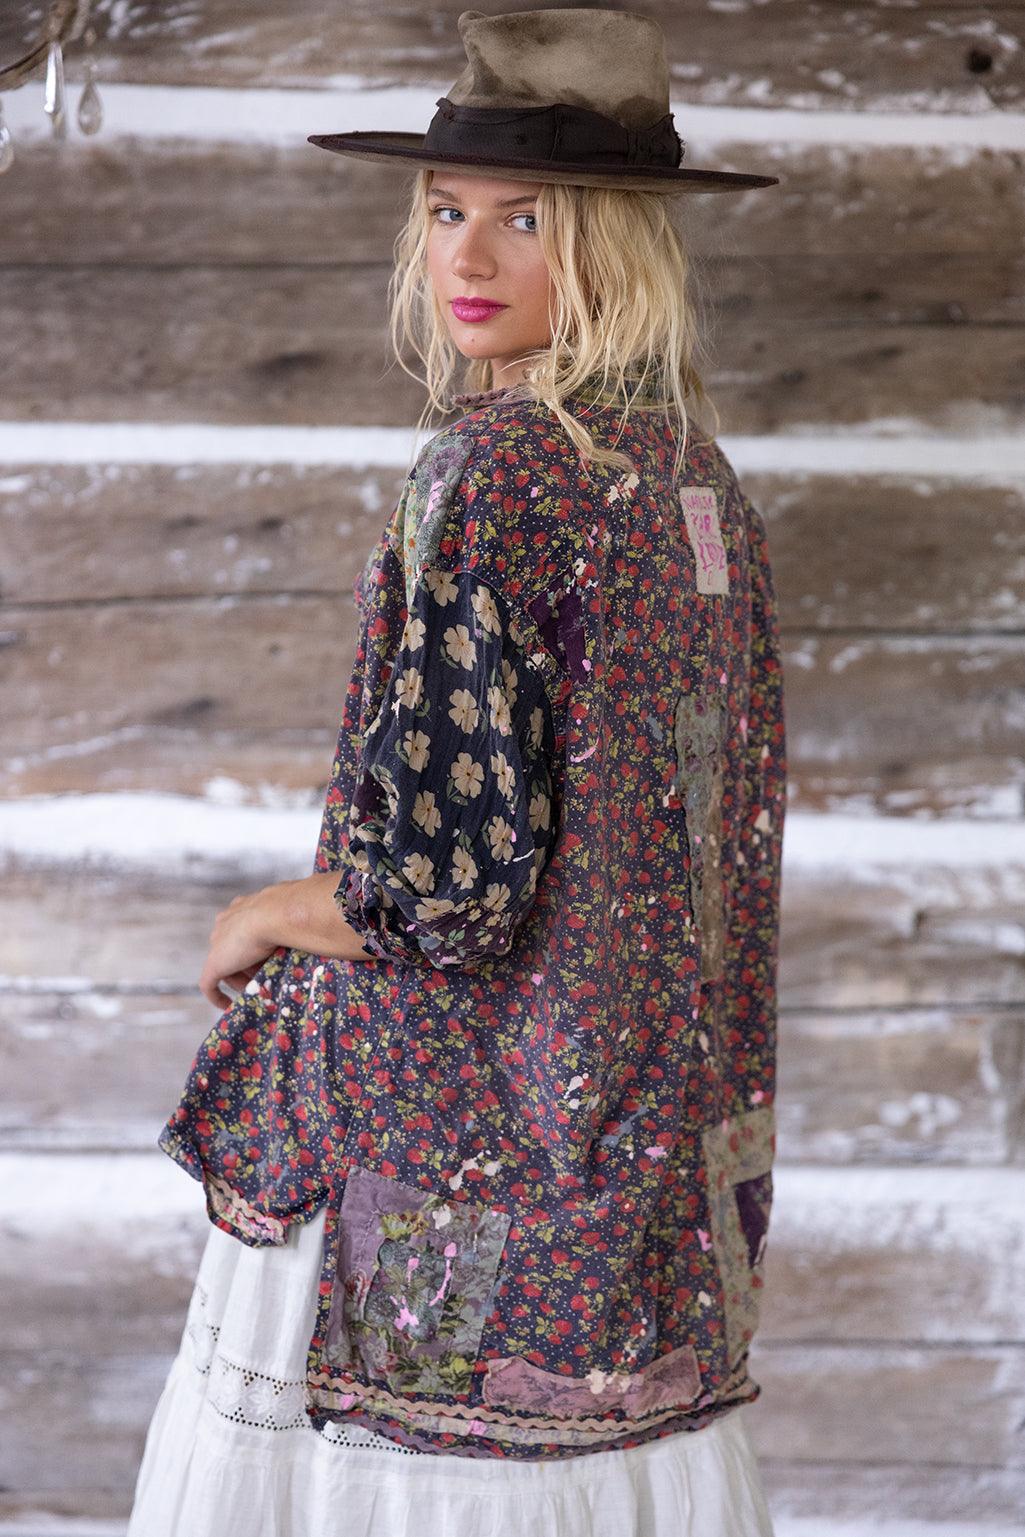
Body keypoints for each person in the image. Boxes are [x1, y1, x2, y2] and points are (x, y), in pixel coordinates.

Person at [126, 8, 786, 1534]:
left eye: (524, 219)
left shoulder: (490, 474)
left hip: (445, 1164)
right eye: (444, 211)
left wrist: (265, 913)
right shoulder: (696, 487)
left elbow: (444, 891)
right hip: (633, 1188)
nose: (467, 256)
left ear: (611, 242)